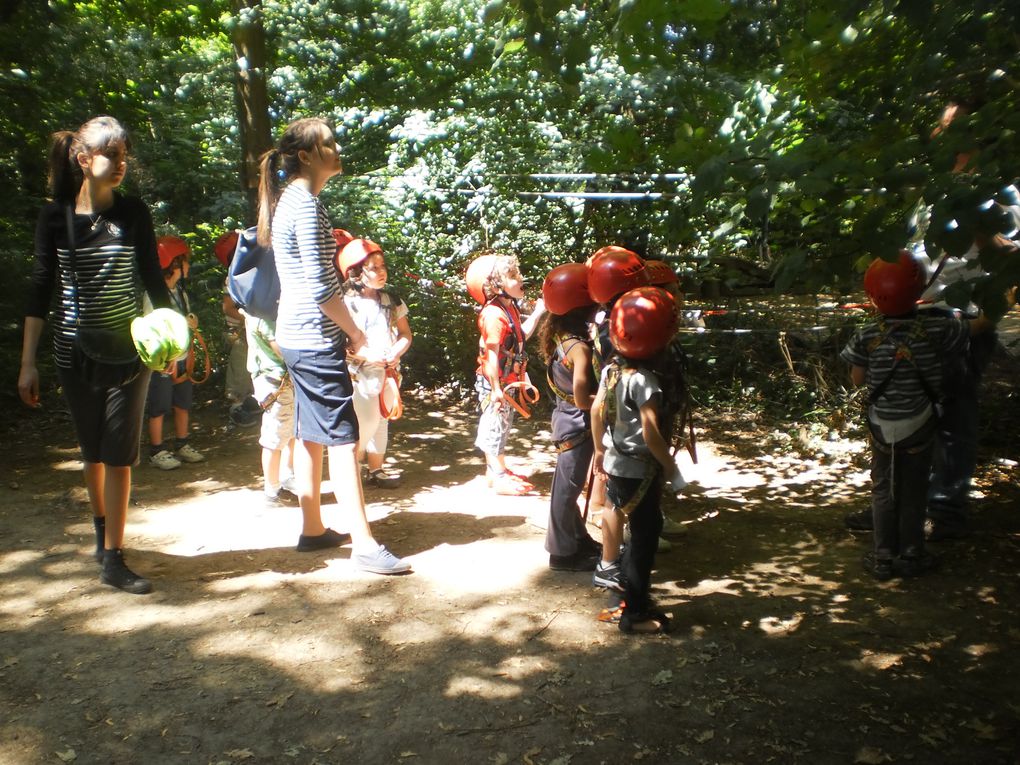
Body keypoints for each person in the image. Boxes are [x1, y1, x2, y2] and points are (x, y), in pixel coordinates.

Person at [19, 115, 171, 594]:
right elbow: (41, 289)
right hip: (73, 353)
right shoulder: (55, 216)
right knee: (92, 451)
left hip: (130, 351)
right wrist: (27, 362)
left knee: (119, 454)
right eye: (113, 155)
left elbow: (152, 277)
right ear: (84, 160)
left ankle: (113, 558)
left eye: (125, 156)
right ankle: (103, 531)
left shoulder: (134, 214)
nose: (122, 164)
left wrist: (171, 336)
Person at [257, 116, 409, 574]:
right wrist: (357, 334)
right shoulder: (304, 204)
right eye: (328, 142)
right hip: (313, 335)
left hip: (295, 334)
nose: (336, 147)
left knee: (310, 431)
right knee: (343, 437)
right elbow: (324, 285)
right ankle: (364, 545)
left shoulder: (292, 201)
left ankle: (312, 528)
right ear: (306, 156)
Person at [840, 250, 1005, 579]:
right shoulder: (938, 331)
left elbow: (858, 380)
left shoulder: (866, 335)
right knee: (914, 489)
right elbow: (981, 325)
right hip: (920, 425)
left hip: (882, 426)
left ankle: (883, 555)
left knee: (883, 488)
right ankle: (913, 555)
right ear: (921, 291)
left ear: (871, 297)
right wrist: (1007, 296)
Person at [591, 286, 693, 633]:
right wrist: (671, 467)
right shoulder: (645, 381)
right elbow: (651, 432)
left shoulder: (612, 371)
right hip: (640, 469)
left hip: (618, 464)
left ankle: (634, 599)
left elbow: (595, 411)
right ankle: (633, 614)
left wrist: (600, 449)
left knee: (632, 528)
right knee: (645, 537)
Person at [538, 263, 602, 571]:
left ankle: (576, 537)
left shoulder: (561, 340)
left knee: (567, 487)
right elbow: (581, 397)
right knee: (566, 491)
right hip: (577, 425)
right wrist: (608, 400)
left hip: (566, 421)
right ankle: (561, 552)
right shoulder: (580, 349)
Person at [467, 252, 546, 495]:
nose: (520, 278)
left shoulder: (508, 307)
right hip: (496, 382)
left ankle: (496, 470)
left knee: (502, 425)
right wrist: (497, 389)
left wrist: (538, 312)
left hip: (507, 380)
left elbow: (520, 334)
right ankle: (497, 475)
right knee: (494, 424)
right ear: (495, 285)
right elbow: (490, 354)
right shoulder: (493, 314)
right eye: (512, 275)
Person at [337, 237, 413, 488]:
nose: (381, 272)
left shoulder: (391, 300)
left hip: (388, 371)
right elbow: (339, 342)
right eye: (373, 267)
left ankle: (376, 470)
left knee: (382, 419)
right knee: (365, 421)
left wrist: (397, 352)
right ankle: (351, 469)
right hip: (358, 373)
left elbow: (405, 334)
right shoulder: (344, 302)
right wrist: (367, 356)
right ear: (356, 272)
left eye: (383, 266)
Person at [145, 235, 204, 470]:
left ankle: (182, 444)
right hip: (163, 362)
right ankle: (156, 451)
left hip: (181, 359)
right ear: (174, 264)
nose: (188, 266)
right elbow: (152, 328)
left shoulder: (180, 294)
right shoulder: (152, 296)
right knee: (159, 405)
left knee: (183, 402)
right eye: (185, 261)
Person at [245, 312, 295, 506]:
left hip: (281, 382)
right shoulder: (265, 316)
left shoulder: (258, 311)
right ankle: (272, 489)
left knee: (292, 432)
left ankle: (286, 478)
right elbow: (282, 351)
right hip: (276, 383)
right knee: (275, 437)